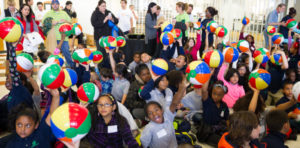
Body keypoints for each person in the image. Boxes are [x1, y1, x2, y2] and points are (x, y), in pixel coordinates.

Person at [140, 76, 187, 148]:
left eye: (156, 110)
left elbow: (173, 103)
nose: (155, 113)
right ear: (148, 117)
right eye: (162, 80)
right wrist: (153, 79)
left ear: (161, 110)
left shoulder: (168, 91)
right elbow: (144, 144)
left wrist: (177, 106)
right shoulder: (149, 128)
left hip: (169, 115)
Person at [42, 0, 74, 68]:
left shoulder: (63, 13)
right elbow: (43, 23)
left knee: (67, 53)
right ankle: (52, 67)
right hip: (52, 38)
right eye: (53, 4)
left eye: (56, 4)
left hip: (63, 37)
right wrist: (51, 23)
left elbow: (71, 23)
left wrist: (65, 21)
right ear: (51, 5)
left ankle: (72, 66)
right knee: (53, 54)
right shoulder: (48, 13)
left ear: (58, 4)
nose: (55, 5)